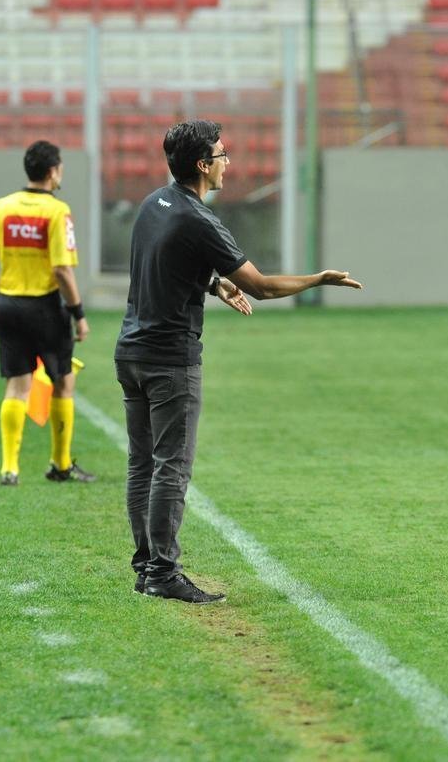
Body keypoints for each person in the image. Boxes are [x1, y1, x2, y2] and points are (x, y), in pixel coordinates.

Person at [115, 120, 362, 603]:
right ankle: (162, 573)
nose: (228, 162)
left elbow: (163, 261)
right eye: (222, 154)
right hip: (170, 361)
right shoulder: (199, 220)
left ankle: (146, 566)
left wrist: (211, 283)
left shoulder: (153, 203)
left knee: (142, 464)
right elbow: (263, 287)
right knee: (171, 467)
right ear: (203, 165)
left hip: (131, 352)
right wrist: (318, 279)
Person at [0, 140, 95, 486]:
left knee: (17, 385)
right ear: (53, 171)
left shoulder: (2, 207)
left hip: (9, 305)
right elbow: (61, 270)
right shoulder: (57, 211)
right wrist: (79, 314)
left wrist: (0, 300)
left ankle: (9, 468)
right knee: (63, 381)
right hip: (45, 307)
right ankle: (60, 464)